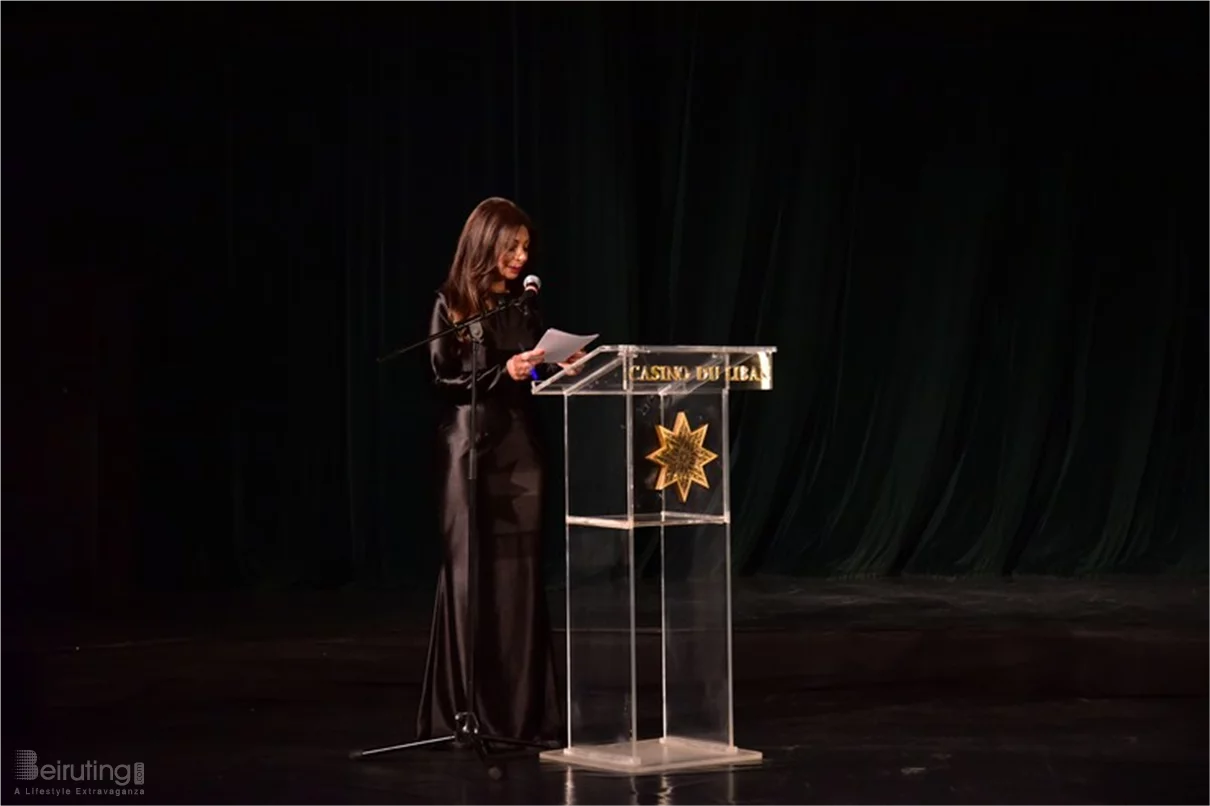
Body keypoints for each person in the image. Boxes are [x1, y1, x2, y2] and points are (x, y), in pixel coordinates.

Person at [416, 197, 582, 746]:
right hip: (468, 450)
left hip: (520, 449)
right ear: (486, 243)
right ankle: (467, 716)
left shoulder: (525, 306)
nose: (520, 256)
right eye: (511, 246)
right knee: (471, 574)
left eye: (525, 247)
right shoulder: (450, 303)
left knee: (520, 576)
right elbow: (442, 377)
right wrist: (499, 371)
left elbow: (533, 372)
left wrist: (556, 365)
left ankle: (521, 717)